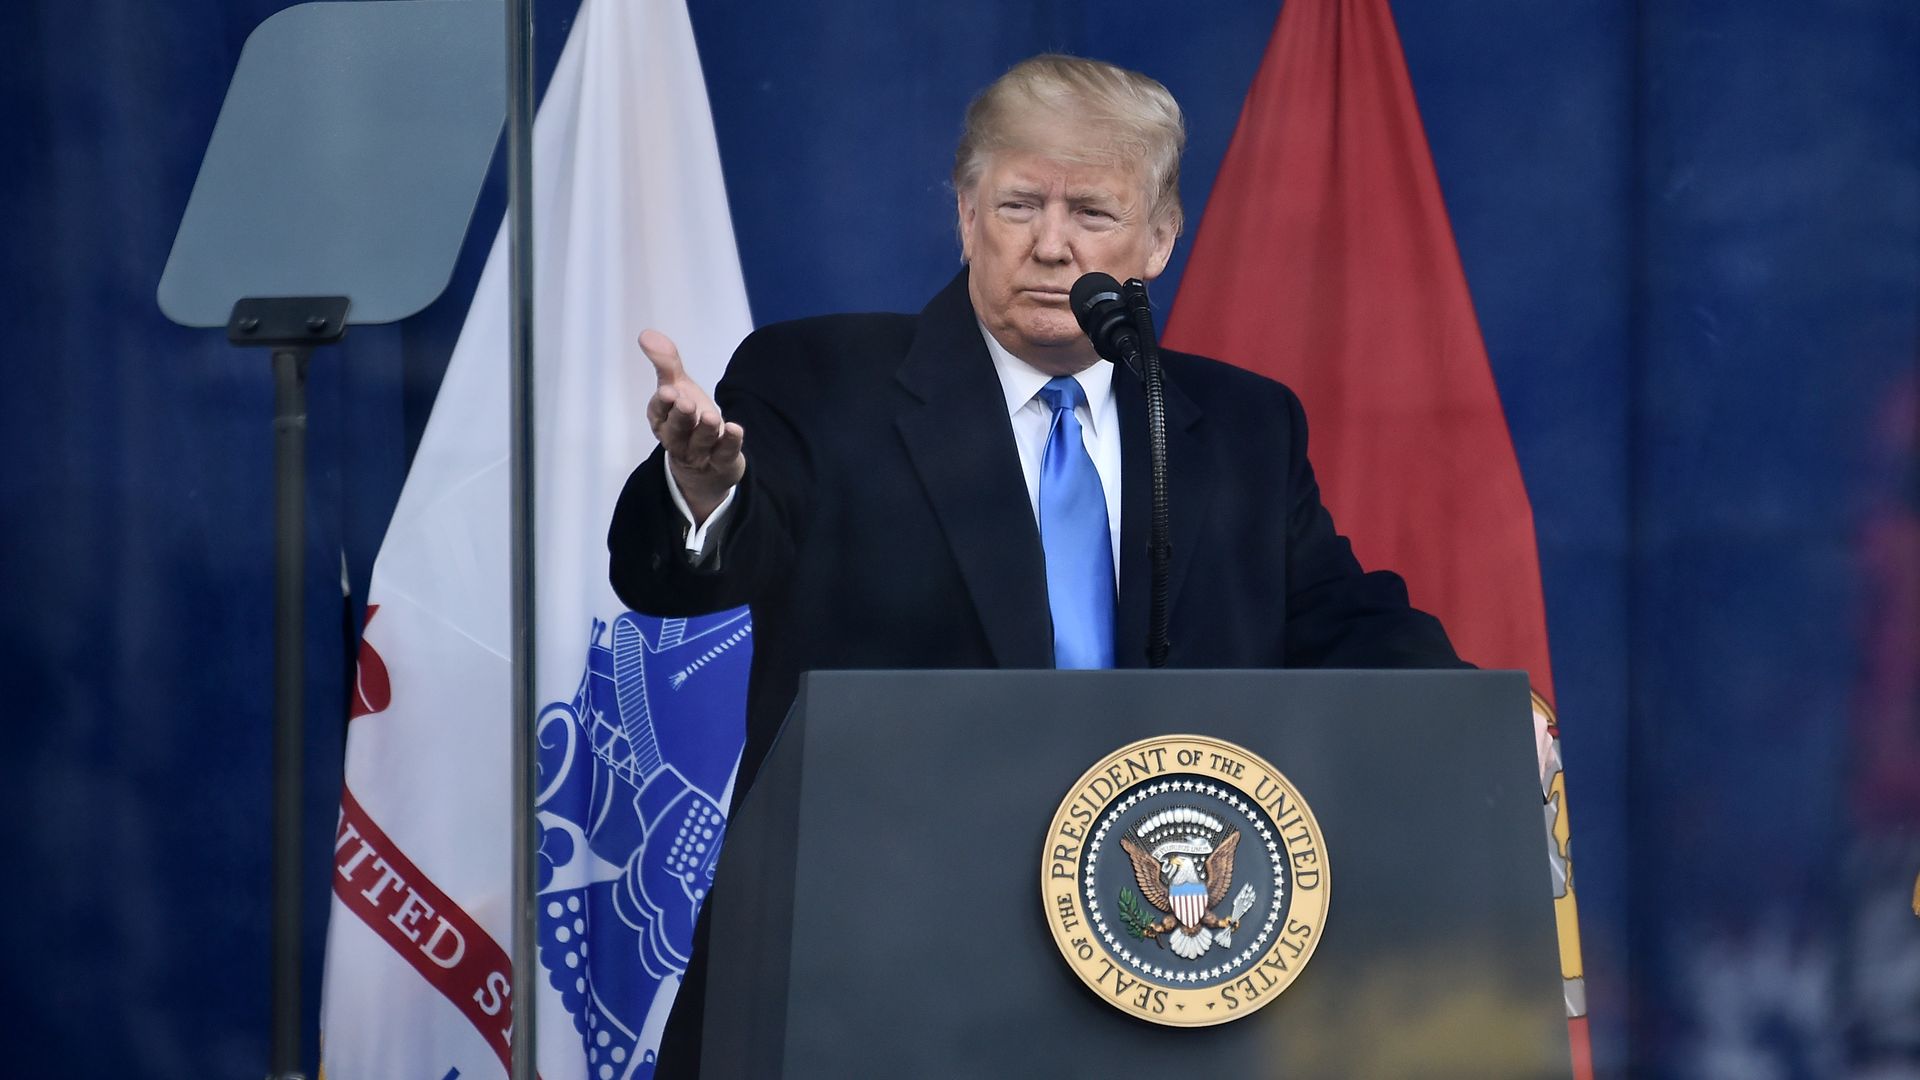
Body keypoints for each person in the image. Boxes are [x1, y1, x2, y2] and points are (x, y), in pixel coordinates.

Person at [608, 54, 1464, 1073]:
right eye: (1019, 202)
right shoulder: (820, 380)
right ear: (967, 213)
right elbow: (698, 563)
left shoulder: (1238, 425)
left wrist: (1479, 718)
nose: (1052, 244)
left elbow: (1338, 615)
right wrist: (702, 493)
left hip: (1156, 975)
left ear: (1159, 238)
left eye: (1093, 213)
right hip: (873, 980)